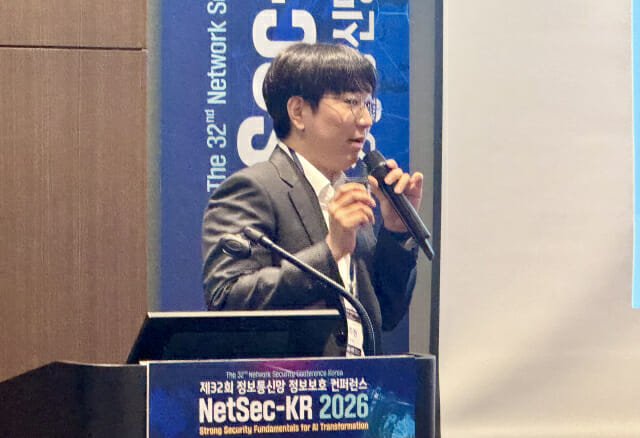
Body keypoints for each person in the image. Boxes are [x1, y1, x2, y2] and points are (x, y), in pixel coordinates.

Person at [201, 42, 422, 356]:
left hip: (361, 382)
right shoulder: (252, 188)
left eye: (367, 104)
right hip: (289, 384)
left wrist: (396, 231)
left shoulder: (351, 195)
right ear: (298, 112)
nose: (365, 119)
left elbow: (386, 313)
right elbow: (227, 299)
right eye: (351, 102)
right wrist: (329, 252)